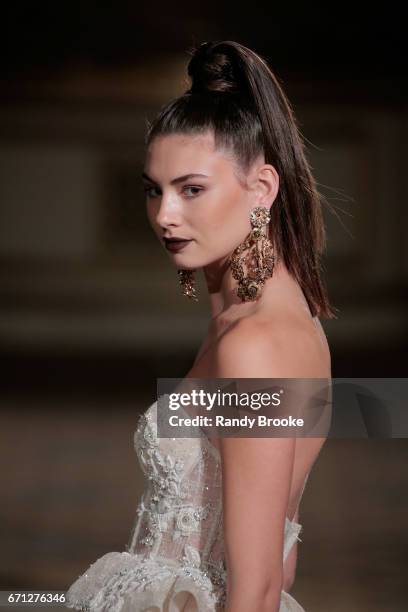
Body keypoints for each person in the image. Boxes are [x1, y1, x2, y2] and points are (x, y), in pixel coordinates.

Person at [65, 40, 335, 612]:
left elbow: (260, 587)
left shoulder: (255, 345)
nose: (164, 215)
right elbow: (283, 553)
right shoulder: (259, 318)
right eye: (153, 190)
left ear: (261, 189)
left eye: (191, 189)